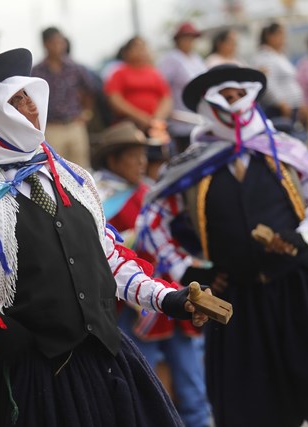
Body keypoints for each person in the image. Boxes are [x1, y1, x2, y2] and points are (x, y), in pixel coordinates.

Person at [0, 48, 211, 427]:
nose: (30, 106)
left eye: (29, 96)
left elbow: (108, 259)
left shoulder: (71, 177)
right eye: (15, 100)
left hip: (108, 363)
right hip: (34, 385)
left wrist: (167, 298)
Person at [136, 65, 308, 427]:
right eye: (224, 97)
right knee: (251, 409)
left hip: (302, 287)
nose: (233, 104)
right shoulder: (191, 165)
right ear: (207, 106)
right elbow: (150, 223)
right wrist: (186, 269)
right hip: (236, 301)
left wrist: (305, 235)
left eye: (237, 95)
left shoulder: (285, 149)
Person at [91, 123, 211, 427]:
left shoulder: (153, 194)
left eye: (143, 155)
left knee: (192, 381)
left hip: (170, 295)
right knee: (141, 383)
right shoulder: (96, 200)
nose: (141, 162)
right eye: (133, 156)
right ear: (113, 160)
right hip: (129, 307)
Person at [31, 27, 98, 168]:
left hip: (74, 125)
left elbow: (90, 89)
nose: (58, 46)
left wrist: (87, 112)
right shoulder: (36, 71)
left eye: (60, 42)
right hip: (51, 127)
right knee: (55, 169)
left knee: (81, 169)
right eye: (54, 42)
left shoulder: (75, 67)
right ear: (45, 44)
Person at [251, 22, 308, 133]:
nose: (283, 39)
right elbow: (269, 83)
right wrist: (280, 103)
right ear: (269, 36)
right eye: (280, 35)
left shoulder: (279, 55)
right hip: (280, 109)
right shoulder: (264, 57)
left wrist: (301, 103)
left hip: (293, 106)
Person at [104, 37, 173, 136]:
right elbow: (115, 100)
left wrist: (156, 119)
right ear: (127, 52)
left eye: (143, 47)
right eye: (137, 47)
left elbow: (166, 99)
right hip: (129, 125)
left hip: (154, 126)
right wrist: (140, 117)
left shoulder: (154, 73)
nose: (141, 51)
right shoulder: (119, 73)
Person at [159, 22, 207, 154]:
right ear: (178, 40)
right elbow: (162, 86)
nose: (189, 41)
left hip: (199, 115)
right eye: (186, 38)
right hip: (180, 117)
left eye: (191, 38)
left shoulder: (196, 58)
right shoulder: (170, 59)